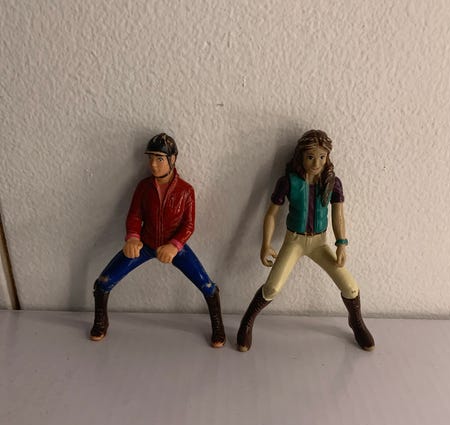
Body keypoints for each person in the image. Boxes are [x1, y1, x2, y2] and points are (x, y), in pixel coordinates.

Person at [237, 129, 374, 352]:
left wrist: (341, 244)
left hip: (320, 243)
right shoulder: (288, 182)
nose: (316, 163)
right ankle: (247, 321)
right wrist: (265, 244)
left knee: (350, 287)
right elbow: (271, 214)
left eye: (322, 157)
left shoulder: (332, 183)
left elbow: (338, 215)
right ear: (301, 156)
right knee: (272, 287)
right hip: (294, 241)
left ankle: (356, 321)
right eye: (310, 157)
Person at [90, 133, 225, 348]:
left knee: (207, 285)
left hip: (174, 247)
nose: (153, 164)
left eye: (160, 159)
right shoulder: (143, 187)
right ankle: (100, 321)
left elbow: (188, 226)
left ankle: (218, 325)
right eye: (151, 158)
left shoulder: (186, 191)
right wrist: (133, 238)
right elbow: (135, 216)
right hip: (145, 244)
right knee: (103, 282)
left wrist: (174, 245)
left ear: (173, 159)